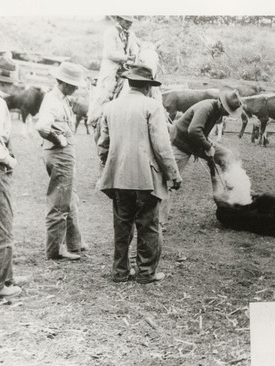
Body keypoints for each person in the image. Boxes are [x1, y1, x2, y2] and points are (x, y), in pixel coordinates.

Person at [96, 64, 182, 284]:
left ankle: (120, 272)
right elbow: (162, 146)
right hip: (146, 179)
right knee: (149, 225)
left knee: (122, 226)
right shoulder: (152, 107)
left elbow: (103, 145)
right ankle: (145, 272)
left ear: (129, 82)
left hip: (118, 178)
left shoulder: (110, 107)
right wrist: (173, 173)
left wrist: (108, 168)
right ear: (147, 86)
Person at [159, 88, 243, 227]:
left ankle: (229, 190)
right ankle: (158, 222)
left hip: (196, 142)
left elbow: (201, 132)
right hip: (181, 144)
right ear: (222, 104)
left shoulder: (217, 111)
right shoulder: (206, 108)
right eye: (228, 111)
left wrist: (207, 146)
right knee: (171, 182)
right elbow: (193, 130)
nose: (228, 114)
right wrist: (208, 147)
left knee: (226, 155)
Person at [36, 62, 88, 261]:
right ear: (64, 83)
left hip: (63, 153)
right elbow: (42, 126)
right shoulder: (53, 101)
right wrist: (58, 139)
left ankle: (75, 242)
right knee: (60, 201)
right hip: (60, 153)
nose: (76, 88)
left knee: (69, 197)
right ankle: (55, 250)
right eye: (74, 85)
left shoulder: (61, 98)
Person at [0, 56, 26, 298]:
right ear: (7, 82)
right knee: (1, 227)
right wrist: (9, 159)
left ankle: (6, 274)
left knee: (1, 223)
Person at [88, 15, 139, 133]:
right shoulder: (110, 32)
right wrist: (127, 57)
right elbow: (110, 53)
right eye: (127, 22)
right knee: (105, 91)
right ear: (119, 20)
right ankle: (95, 118)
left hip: (126, 68)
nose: (129, 24)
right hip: (110, 67)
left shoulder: (131, 34)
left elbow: (135, 49)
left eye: (131, 22)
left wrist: (134, 57)